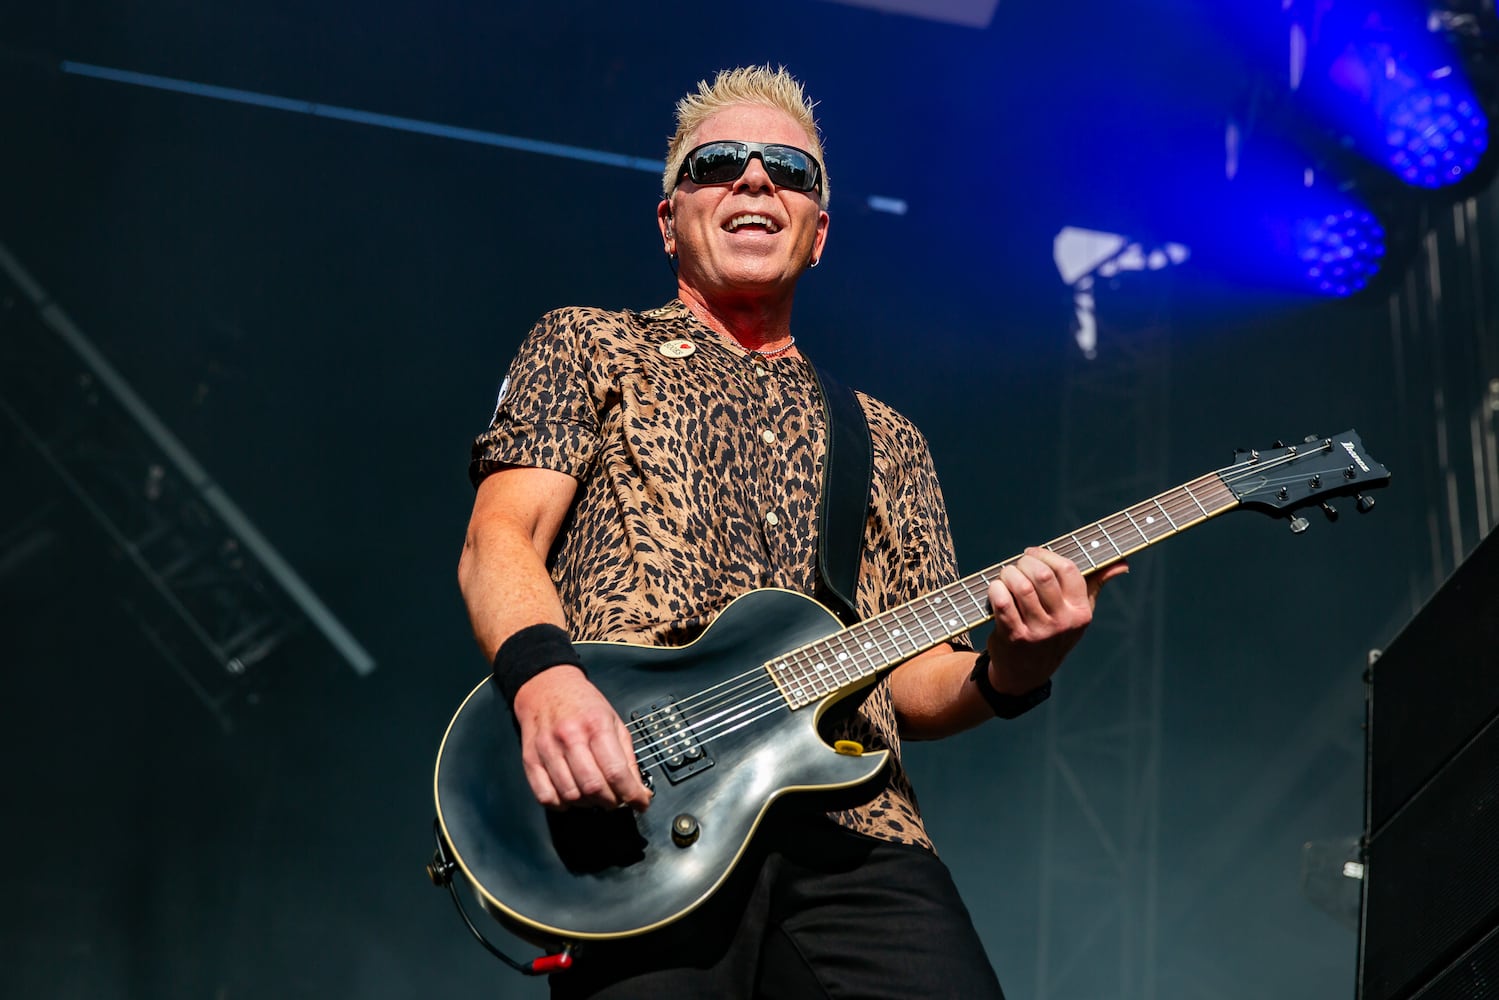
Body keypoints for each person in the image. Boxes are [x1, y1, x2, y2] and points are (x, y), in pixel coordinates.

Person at [459, 65, 1126, 999]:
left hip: (859, 832)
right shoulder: (587, 344)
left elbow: (915, 683)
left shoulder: (886, 438)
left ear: (818, 234)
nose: (755, 179)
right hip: (640, 806)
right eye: (718, 163)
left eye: (789, 170)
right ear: (668, 220)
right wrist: (547, 683)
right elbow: (500, 538)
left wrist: (1018, 665)